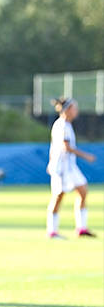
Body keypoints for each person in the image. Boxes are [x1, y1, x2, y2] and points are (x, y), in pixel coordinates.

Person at [46, 97, 96, 238]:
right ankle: (52, 231)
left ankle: (81, 228)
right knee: (57, 197)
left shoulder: (67, 125)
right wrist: (86, 156)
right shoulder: (61, 125)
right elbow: (66, 147)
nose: (76, 111)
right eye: (74, 108)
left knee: (83, 191)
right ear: (67, 110)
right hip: (61, 168)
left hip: (70, 168)